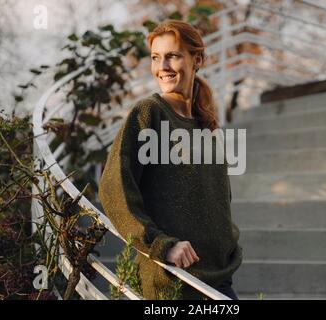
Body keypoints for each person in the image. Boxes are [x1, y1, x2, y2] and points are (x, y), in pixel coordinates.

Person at [98, 19, 242, 300]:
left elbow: (217, 199)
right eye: (155, 58)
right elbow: (113, 188)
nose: (161, 67)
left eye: (172, 56)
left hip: (220, 277)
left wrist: (227, 244)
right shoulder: (148, 113)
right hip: (173, 279)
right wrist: (161, 245)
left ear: (196, 59)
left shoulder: (205, 125)